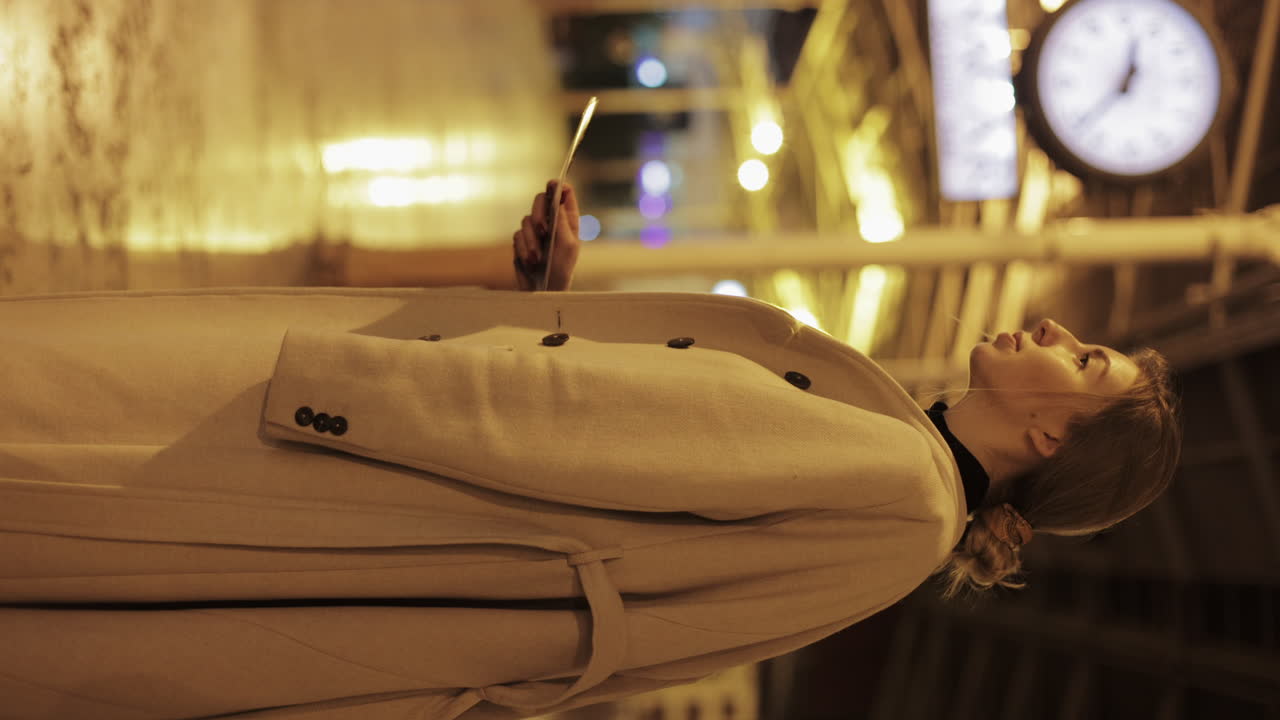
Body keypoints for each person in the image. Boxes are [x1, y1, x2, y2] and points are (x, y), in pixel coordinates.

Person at [0, 181, 1181, 719]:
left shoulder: (896, 481)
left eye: (1083, 362)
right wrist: (545, 303)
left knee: (58, 435)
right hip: (386, 499)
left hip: (339, 464)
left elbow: (561, 439)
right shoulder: (904, 501)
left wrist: (343, 382)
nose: (1054, 331)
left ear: (1047, 438)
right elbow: (624, 452)